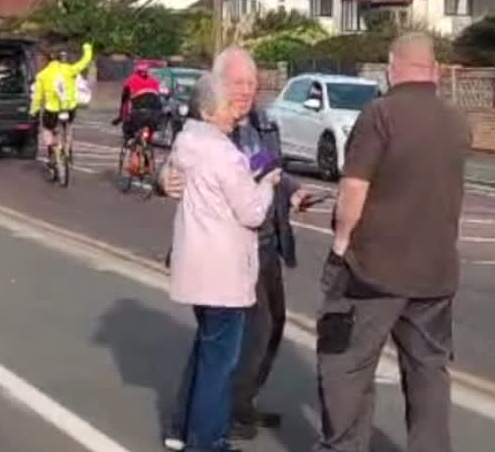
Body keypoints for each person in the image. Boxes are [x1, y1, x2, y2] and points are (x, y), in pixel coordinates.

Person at [315, 32, 471, 452]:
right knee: (429, 372)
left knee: (345, 362)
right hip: (436, 274)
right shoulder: (457, 121)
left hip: (374, 270)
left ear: (391, 67)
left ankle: (344, 447)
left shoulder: (379, 115)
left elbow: (353, 190)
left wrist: (341, 244)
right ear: (434, 70)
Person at [159, 46, 311, 447]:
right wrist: (163, 179)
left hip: (261, 246)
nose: (246, 92)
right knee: (237, 342)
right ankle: (212, 425)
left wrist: (291, 192)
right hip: (230, 251)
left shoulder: (257, 124)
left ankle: (199, 420)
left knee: (250, 332)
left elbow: (268, 167)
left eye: (252, 84)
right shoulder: (211, 127)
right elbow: (179, 163)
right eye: (238, 84)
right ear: (218, 87)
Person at [30, 40, 94, 162]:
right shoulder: (69, 69)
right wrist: (87, 48)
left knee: (47, 128)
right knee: (69, 126)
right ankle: (68, 149)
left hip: (52, 109)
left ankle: (51, 149)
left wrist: (34, 110)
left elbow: (37, 97)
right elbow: (85, 62)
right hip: (68, 107)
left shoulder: (42, 75)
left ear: (48, 61)